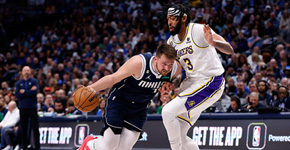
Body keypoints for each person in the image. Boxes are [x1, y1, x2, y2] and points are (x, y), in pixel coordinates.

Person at [78, 43, 182, 150]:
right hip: (119, 101)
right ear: (156, 59)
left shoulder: (175, 68)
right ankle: (90, 142)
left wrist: (171, 85)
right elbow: (112, 78)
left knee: (124, 147)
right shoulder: (139, 63)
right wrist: (90, 88)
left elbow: (177, 78)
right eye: (164, 64)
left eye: (170, 65)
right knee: (110, 145)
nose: (167, 68)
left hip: (140, 107)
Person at [163, 4, 233, 150]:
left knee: (168, 112)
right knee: (180, 135)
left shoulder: (198, 30)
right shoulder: (171, 42)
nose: (169, 22)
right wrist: (172, 84)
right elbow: (177, 73)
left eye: (173, 18)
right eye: (168, 18)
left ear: (183, 18)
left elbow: (229, 49)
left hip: (211, 81)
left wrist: (213, 42)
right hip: (192, 83)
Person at [15, 66, 40, 150]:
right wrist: (29, 91)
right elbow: (18, 95)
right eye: (25, 70)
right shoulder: (18, 83)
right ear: (22, 72)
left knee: (35, 128)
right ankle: (24, 147)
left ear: (30, 72)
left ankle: (37, 147)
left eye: (28, 70)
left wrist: (24, 91)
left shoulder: (34, 81)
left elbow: (34, 92)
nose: (26, 72)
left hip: (32, 108)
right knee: (23, 129)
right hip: (23, 108)